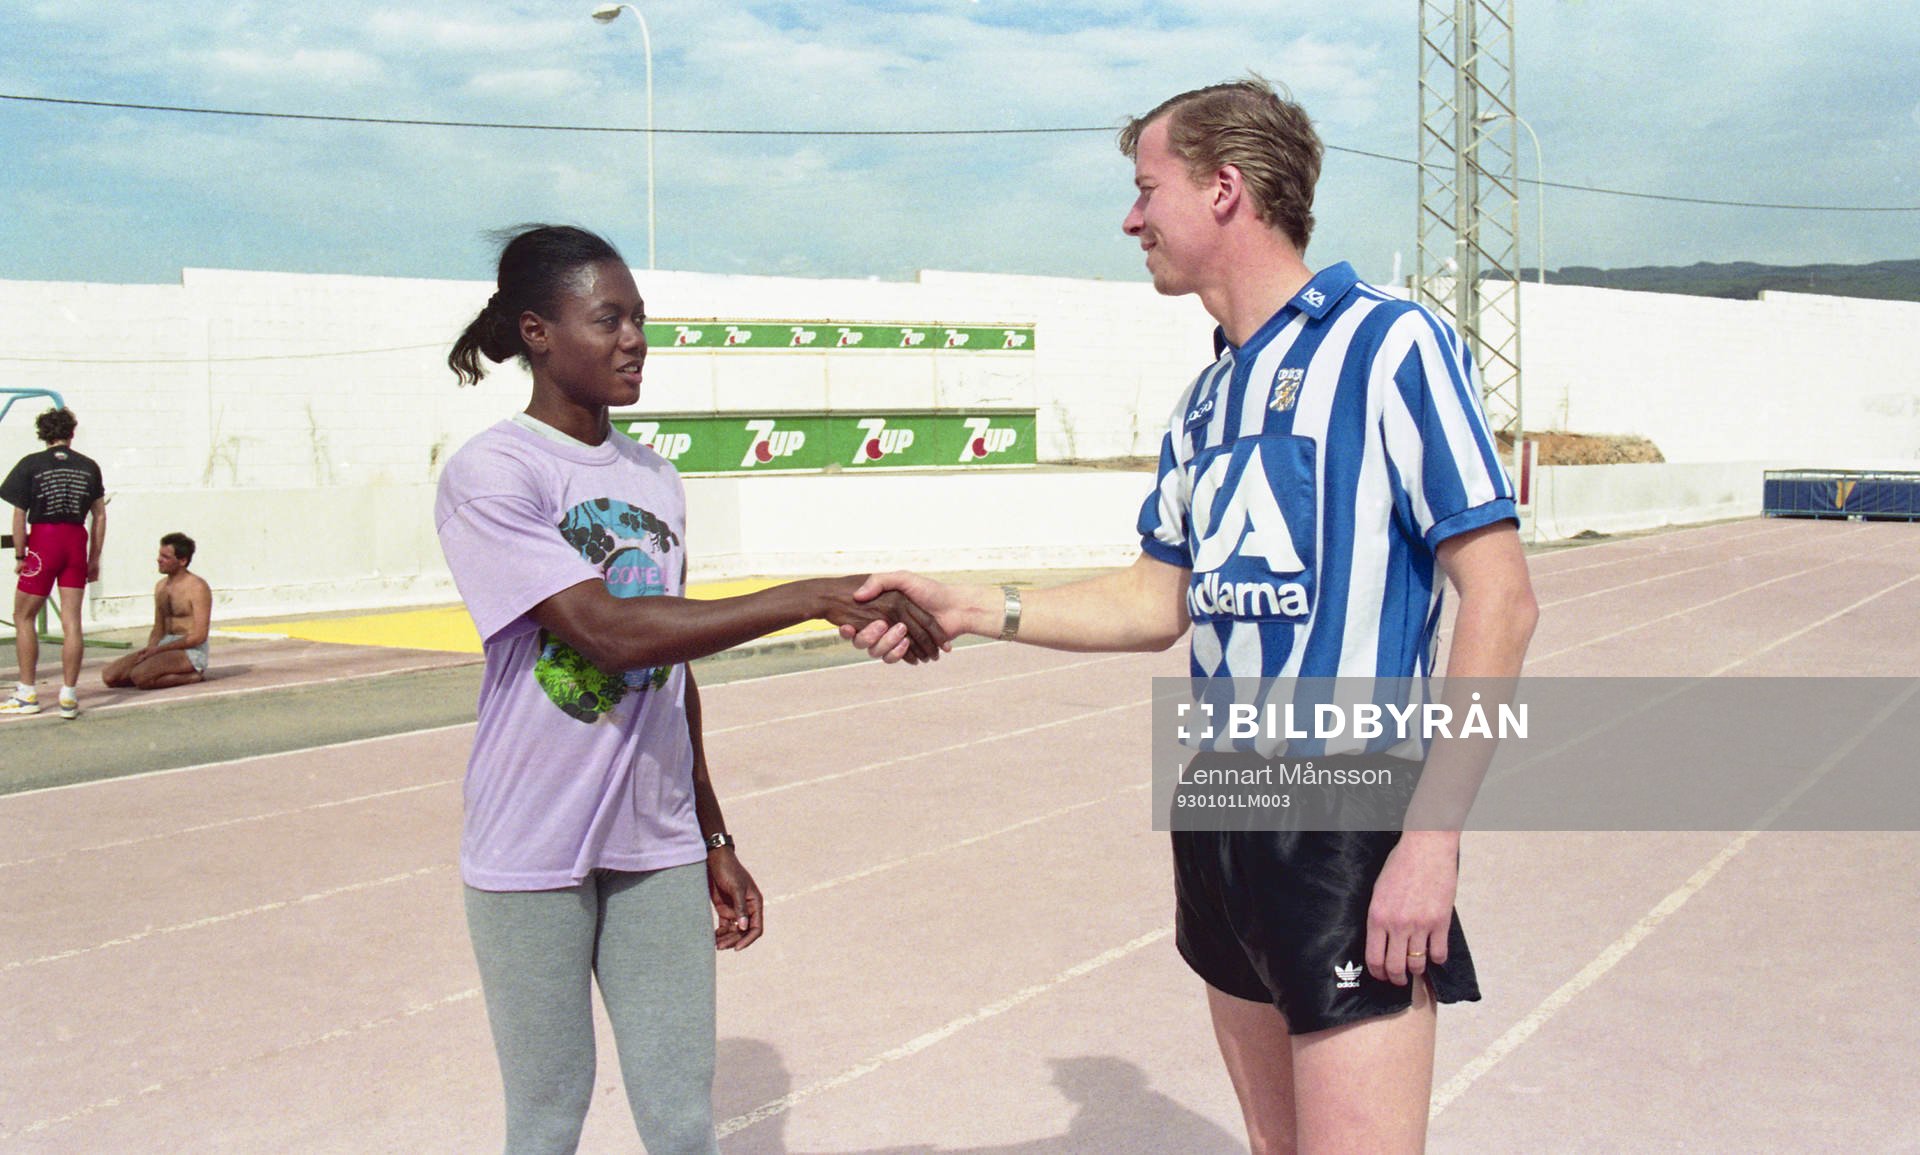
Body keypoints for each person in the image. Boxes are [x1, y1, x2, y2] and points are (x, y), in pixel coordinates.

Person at [847, 79, 1538, 1152]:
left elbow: (1502, 597)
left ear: (1225, 190)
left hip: (1346, 809)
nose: (1131, 220)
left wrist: (1432, 838)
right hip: (1219, 806)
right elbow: (1150, 600)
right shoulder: (1205, 401)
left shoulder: (1392, 346)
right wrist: (971, 604)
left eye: (1145, 190)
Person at [435, 224, 944, 1155]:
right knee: (548, 1113)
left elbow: (668, 663)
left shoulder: (655, 477)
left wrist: (712, 832)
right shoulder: (494, 472)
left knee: (680, 1118)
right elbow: (603, 628)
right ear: (538, 331)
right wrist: (805, 595)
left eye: (639, 318)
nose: (634, 338)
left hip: (656, 839)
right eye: (608, 318)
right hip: (529, 835)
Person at [3, 406, 107, 720]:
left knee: (23, 616)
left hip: (45, 539)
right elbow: (99, 515)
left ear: (42, 434)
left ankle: (27, 692)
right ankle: (69, 695)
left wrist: (21, 555)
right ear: (71, 433)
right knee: (72, 620)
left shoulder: (31, 464)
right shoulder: (89, 466)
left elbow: (19, 515)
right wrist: (94, 558)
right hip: (76, 539)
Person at [101, 532, 211, 691]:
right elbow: (159, 627)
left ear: (182, 561)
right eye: (160, 555)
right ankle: (152, 672)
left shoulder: (198, 587)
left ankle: (193, 676)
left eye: (166, 557)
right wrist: (150, 649)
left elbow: (199, 636)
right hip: (163, 646)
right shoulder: (161, 587)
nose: (159, 560)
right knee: (110, 676)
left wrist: (158, 650)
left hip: (189, 651)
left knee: (140, 677)